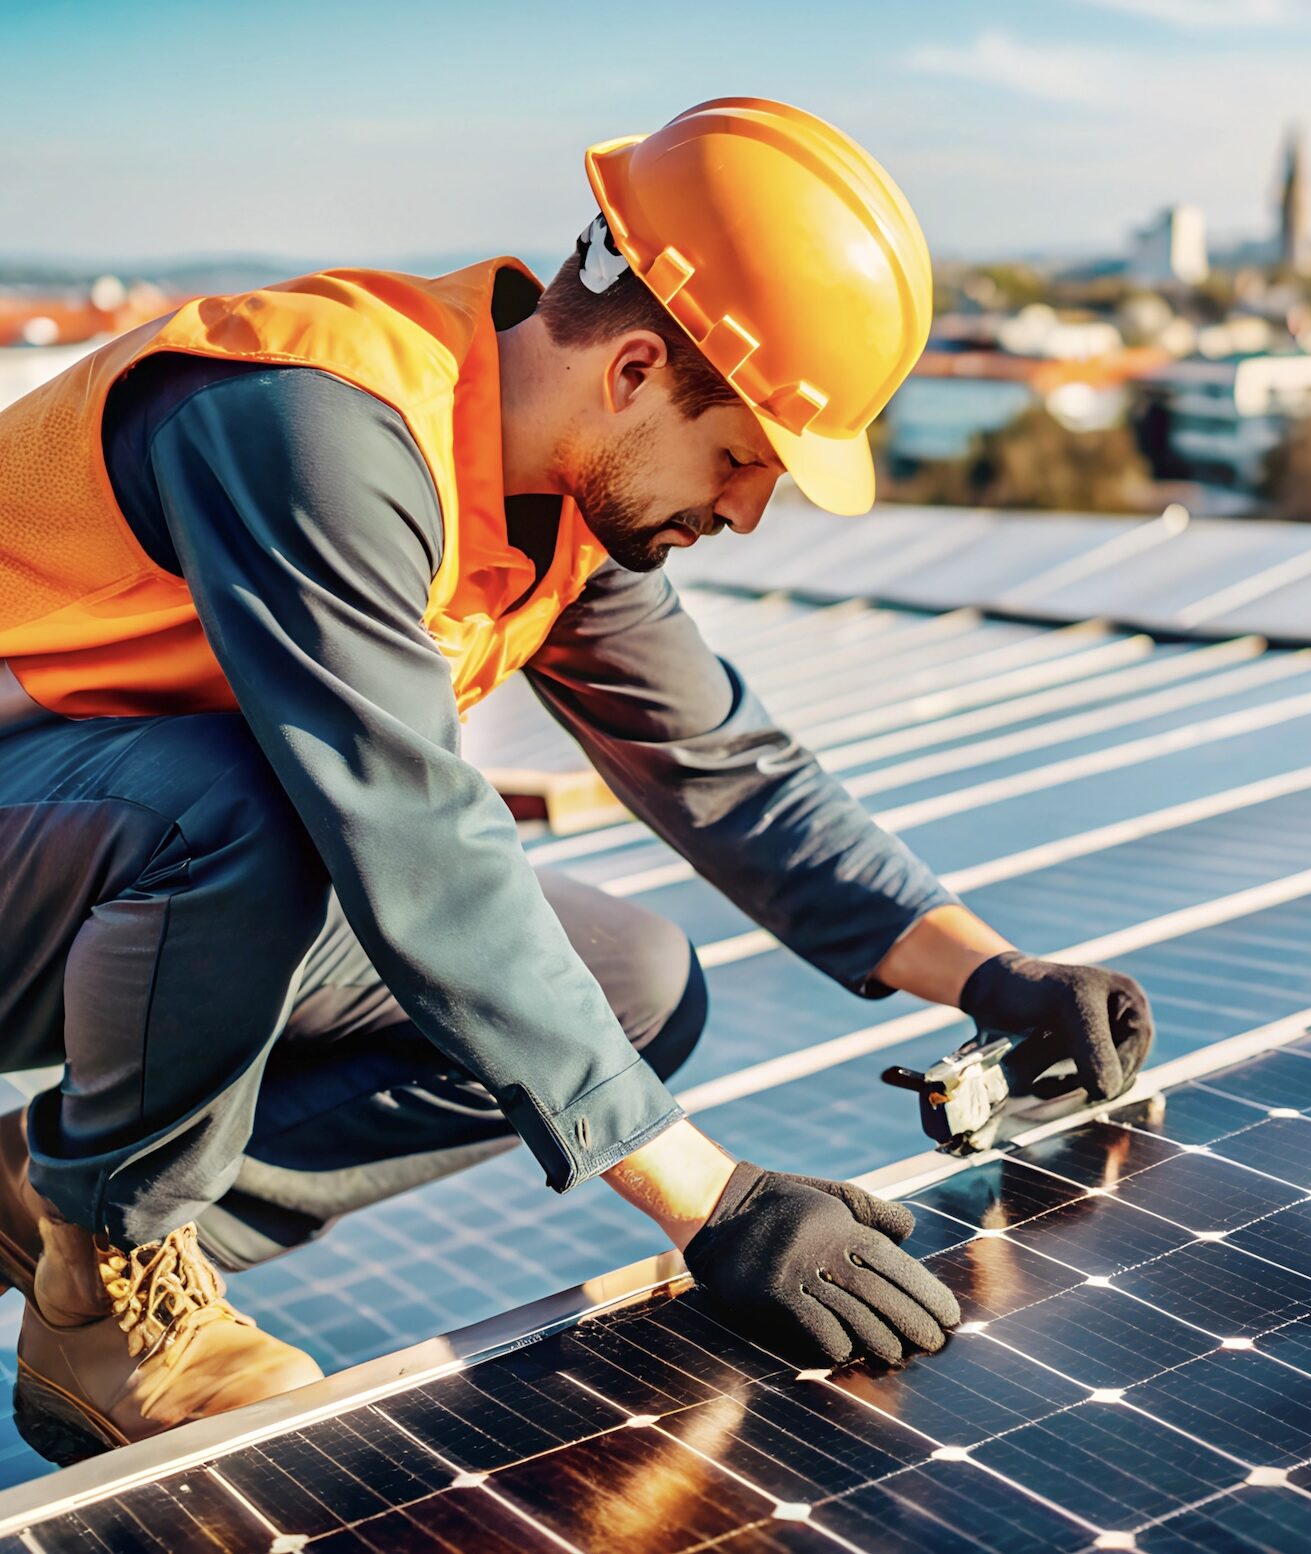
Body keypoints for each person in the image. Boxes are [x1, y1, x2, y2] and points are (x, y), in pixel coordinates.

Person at [0, 98, 1152, 1463]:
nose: (743, 512)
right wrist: (710, 1201)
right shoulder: (307, 422)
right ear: (635, 368)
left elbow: (726, 768)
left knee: (628, 978)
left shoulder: (562, 506)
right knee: (258, 795)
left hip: (102, 862)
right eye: (740, 459)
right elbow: (410, 837)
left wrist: (989, 973)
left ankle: (53, 1198)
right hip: (80, 833)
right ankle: (112, 1291)